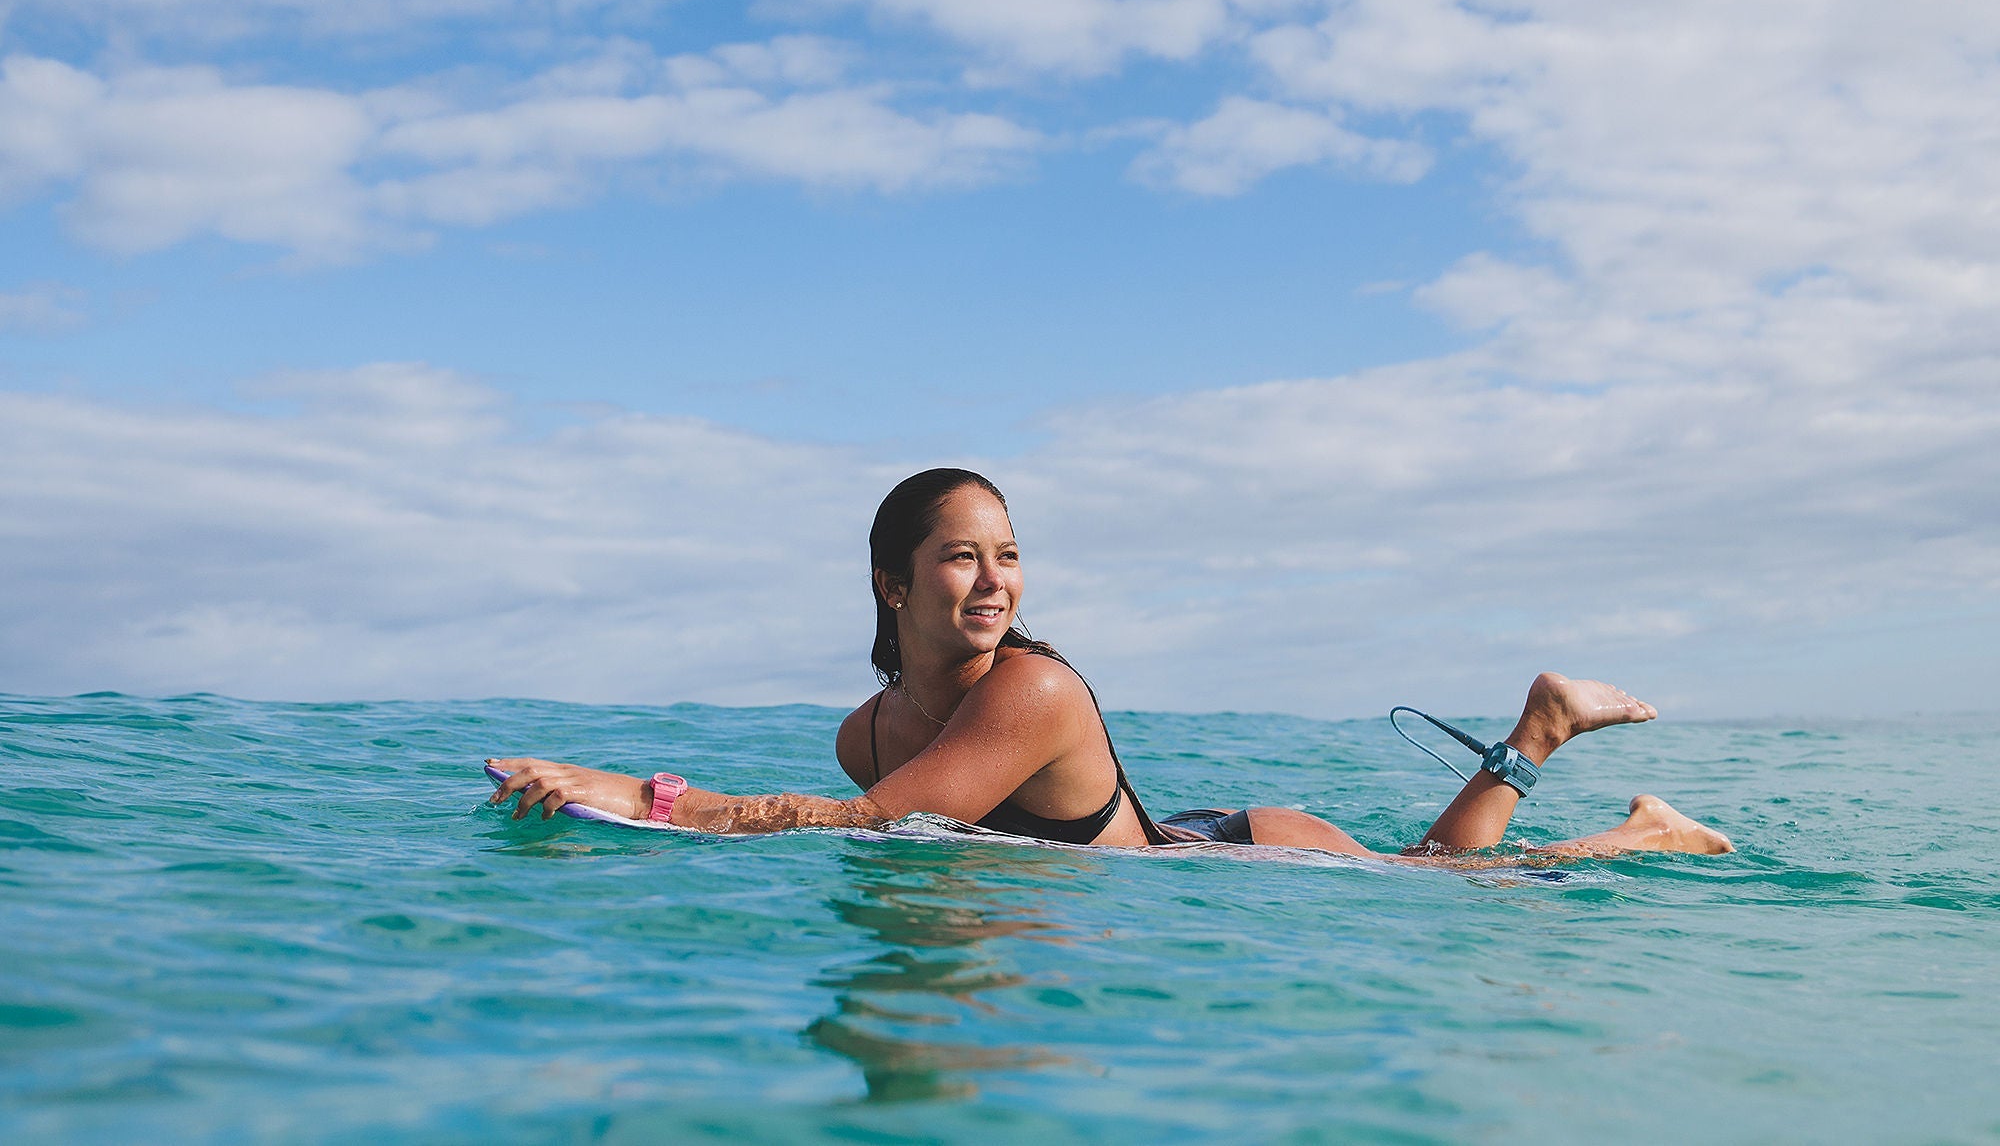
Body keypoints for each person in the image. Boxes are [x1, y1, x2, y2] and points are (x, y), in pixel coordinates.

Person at [489, 468, 1732, 860]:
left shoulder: (1033, 689)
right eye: (960, 556)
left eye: (1008, 554)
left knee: (1457, 884)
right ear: (891, 582)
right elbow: (918, 839)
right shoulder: (861, 730)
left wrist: (638, 793)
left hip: (1236, 860)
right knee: (1437, 871)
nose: (994, 580)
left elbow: (869, 825)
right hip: (1172, 833)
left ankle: (1594, 786)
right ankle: (1542, 735)